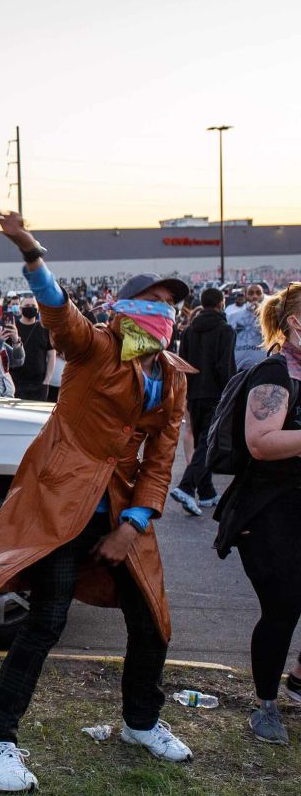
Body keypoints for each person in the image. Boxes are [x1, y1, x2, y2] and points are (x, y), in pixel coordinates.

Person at [0, 205, 195, 792]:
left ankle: (140, 722)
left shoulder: (171, 375)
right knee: (47, 620)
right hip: (60, 504)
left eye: (172, 304)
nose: (164, 313)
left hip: (119, 508)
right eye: (155, 301)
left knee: (153, 623)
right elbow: (59, 313)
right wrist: (29, 249)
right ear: (124, 309)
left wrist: (135, 522)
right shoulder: (94, 349)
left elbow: (161, 457)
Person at [212, 282, 301, 745]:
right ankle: (266, 705)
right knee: (283, 606)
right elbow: (261, 443)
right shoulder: (275, 371)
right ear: (294, 323)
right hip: (269, 512)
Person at [169, 287, 236, 516]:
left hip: (194, 393)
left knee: (202, 443)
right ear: (221, 303)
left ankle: (206, 492)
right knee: (208, 443)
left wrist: (185, 393)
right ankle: (186, 486)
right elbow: (225, 365)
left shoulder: (189, 331)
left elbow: (183, 365)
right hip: (216, 394)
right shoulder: (225, 330)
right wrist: (231, 393)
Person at [9, 296, 55, 400]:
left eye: (33, 306)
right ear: (21, 308)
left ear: (38, 309)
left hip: (39, 385)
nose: (30, 308)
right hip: (16, 383)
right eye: (27, 306)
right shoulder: (13, 328)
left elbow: (51, 356)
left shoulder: (45, 329)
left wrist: (47, 381)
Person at [231, 282, 268, 371]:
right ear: (246, 295)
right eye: (251, 293)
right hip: (239, 368)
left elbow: (270, 335)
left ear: (263, 296)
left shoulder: (269, 317)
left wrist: (260, 314)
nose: (255, 296)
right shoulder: (234, 316)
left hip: (262, 366)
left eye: (258, 293)